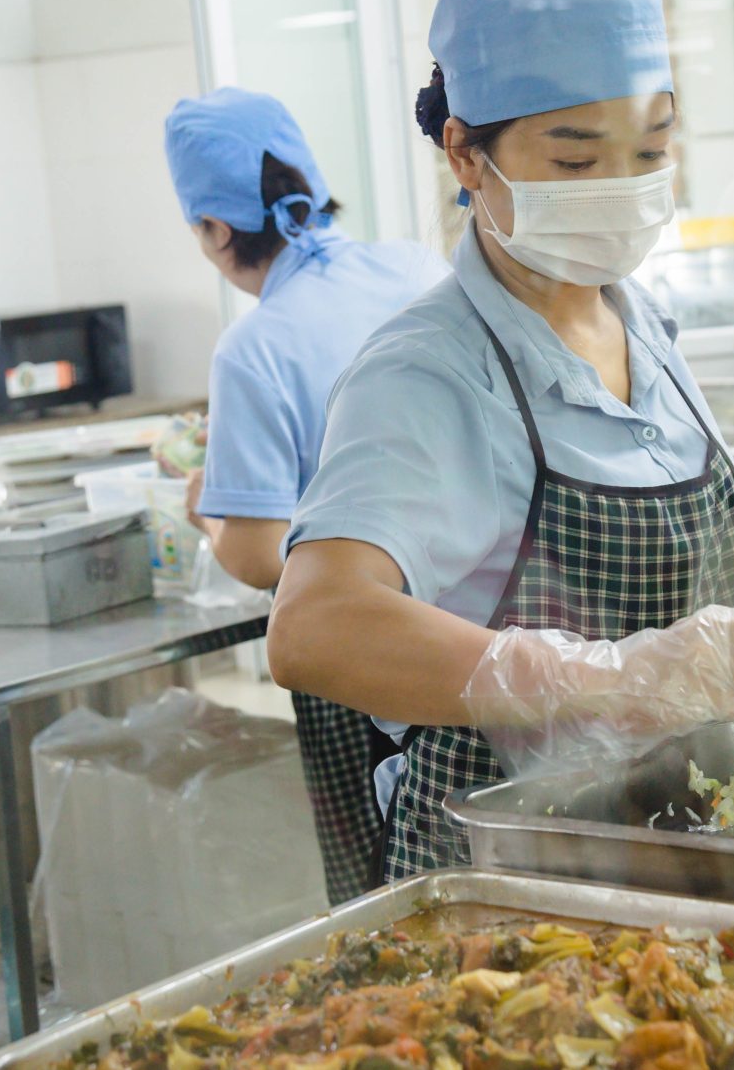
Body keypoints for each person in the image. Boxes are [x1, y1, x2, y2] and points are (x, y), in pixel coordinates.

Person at [267, 0, 734, 881]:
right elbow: (313, 626)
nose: (620, 187)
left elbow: (598, 592)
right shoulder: (428, 371)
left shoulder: (638, 320)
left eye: (649, 150)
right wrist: (610, 679)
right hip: (519, 870)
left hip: (677, 835)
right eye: (577, 160)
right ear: (466, 156)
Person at [163, 86, 447, 904]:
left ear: (217, 230)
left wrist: (208, 514)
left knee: (385, 896)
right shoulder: (418, 269)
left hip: (359, 652)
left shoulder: (253, 348)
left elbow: (262, 557)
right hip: (489, 614)